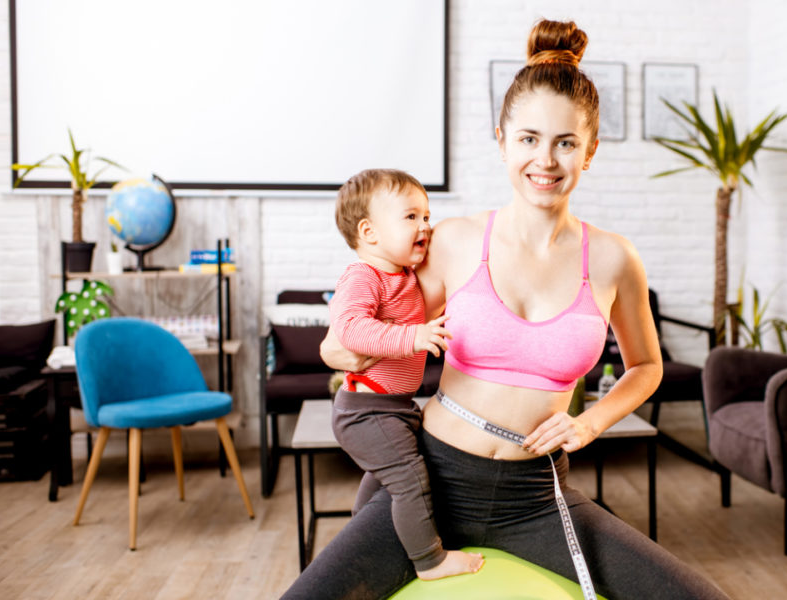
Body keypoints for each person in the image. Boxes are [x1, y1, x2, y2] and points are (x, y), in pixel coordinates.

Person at [283, 19, 729, 600]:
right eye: (528, 138)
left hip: (536, 496)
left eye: (565, 142)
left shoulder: (616, 259)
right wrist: (343, 344)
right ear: (502, 140)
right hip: (431, 482)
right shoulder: (452, 242)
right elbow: (350, 336)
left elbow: (646, 367)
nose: (545, 159)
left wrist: (589, 421)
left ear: (590, 151)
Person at [326, 169, 484, 580]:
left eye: (427, 216)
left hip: (393, 406)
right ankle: (429, 560)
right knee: (410, 477)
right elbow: (350, 330)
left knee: (384, 481)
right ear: (369, 231)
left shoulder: (407, 277)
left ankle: (363, 537)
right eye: (411, 217)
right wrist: (413, 336)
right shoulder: (364, 276)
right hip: (365, 409)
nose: (425, 226)